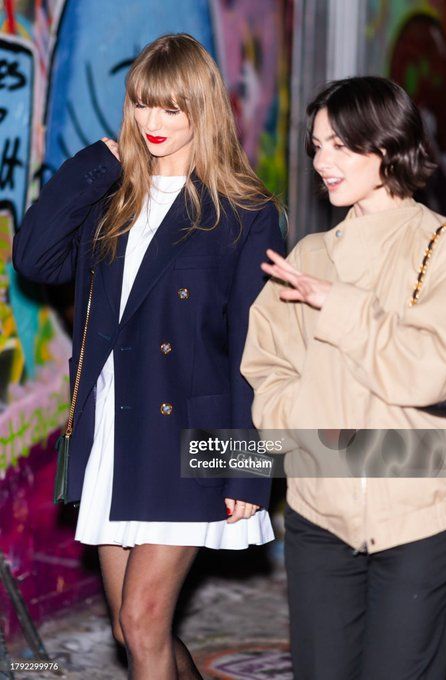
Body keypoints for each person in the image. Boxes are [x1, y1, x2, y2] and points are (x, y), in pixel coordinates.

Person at [13, 33, 284, 680]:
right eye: (141, 105)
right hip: (115, 431)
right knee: (131, 629)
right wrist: (93, 167)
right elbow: (32, 259)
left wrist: (250, 472)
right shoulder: (112, 200)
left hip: (191, 442)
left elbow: (261, 348)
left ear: (202, 110)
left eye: (171, 108)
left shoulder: (244, 213)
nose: (153, 123)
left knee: (142, 620)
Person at [241, 76, 446, 680]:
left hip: (419, 517)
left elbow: (430, 372)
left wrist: (342, 308)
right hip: (318, 518)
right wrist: (300, 427)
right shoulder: (307, 255)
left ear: (384, 146)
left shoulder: (442, 250)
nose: (321, 162)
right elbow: (267, 364)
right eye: (315, 147)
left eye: (338, 146)